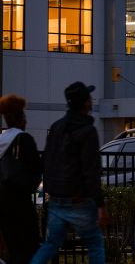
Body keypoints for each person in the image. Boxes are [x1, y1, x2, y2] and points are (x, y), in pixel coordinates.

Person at [30, 82, 106, 264]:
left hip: (56, 199)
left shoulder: (57, 127)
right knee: (95, 242)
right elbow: (91, 170)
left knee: (50, 244)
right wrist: (100, 204)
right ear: (85, 103)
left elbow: (47, 160)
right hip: (79, 199)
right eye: (89, 98)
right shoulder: (88, 131)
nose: (91, 100)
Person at [0, 95, 42, 264]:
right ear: (20, 119)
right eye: (24, 116)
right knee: (28, 248)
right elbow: (36, 169)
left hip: (2, 204)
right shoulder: (24, 139)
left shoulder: (2, 140)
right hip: (20, 204)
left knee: (12, 247)